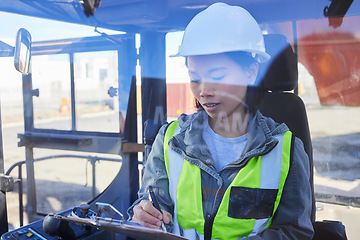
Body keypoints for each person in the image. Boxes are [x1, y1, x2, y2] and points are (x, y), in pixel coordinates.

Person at [127, 2, 314, 239]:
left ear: (250, 73)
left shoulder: (286, 150)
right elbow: (152, 203)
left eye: (217, 75)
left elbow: (295, 231)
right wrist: (145, 214)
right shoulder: (169, 140)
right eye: (194, 78)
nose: (203, 90)